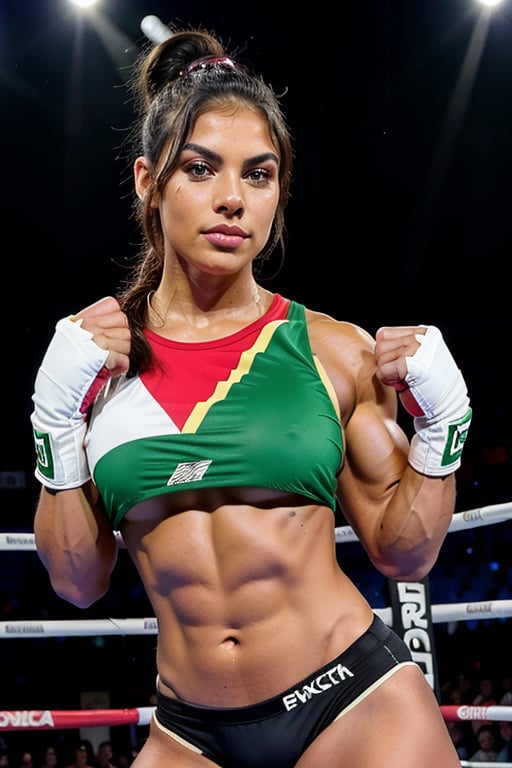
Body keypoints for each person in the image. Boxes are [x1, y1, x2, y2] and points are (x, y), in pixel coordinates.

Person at [30, 22, 473, 768]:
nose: (232, 199)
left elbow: (406, 554)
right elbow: (78, 582)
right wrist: (52, 424)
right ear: (149, 181)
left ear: (278, 192)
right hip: (189, 734)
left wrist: (445, 430)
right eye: (201, 170)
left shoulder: (334, 351)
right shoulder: (93, 366)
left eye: (258, 175)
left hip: (352, 704)